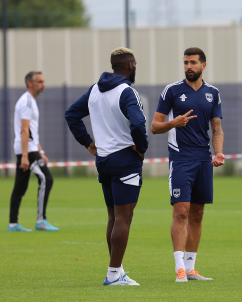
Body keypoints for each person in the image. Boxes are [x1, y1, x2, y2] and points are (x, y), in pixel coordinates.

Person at [65, 48, 148, 286]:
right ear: (131, 65)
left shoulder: (95, 90)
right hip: (125, 159)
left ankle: (117, 270)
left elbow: (72, 114)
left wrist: (89, 143)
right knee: (124, 218)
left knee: (113, 216)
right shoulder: (126, 91)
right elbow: (138, 122)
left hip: (103, 160)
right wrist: (142, 148)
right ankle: (113, 274)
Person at [151, 47, 225, 282]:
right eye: (185, 62)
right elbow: (154, 126)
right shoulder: (171, 91)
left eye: (193, 62)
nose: (188, 66)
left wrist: (219, 152)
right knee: (181, 211)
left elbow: (216, 128)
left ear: (204, 65)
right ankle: (179, 268)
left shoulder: (213, 93)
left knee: (198, 214)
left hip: (203, 159)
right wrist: (174, 123)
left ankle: (192, 269)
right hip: (180, 159)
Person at [8, 71, 58, 232]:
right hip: (27, 150)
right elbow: (24, 131)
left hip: (29, 148)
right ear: (30, 83)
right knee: (46, 179)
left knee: (20, 187)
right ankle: (41, 220)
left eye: (43, 81)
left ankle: (13, 224)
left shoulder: (31, 101)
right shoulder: (27, 102)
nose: (43, 84)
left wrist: (40, 150)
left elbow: (31, 130)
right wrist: (24, 156)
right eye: (39, 82)